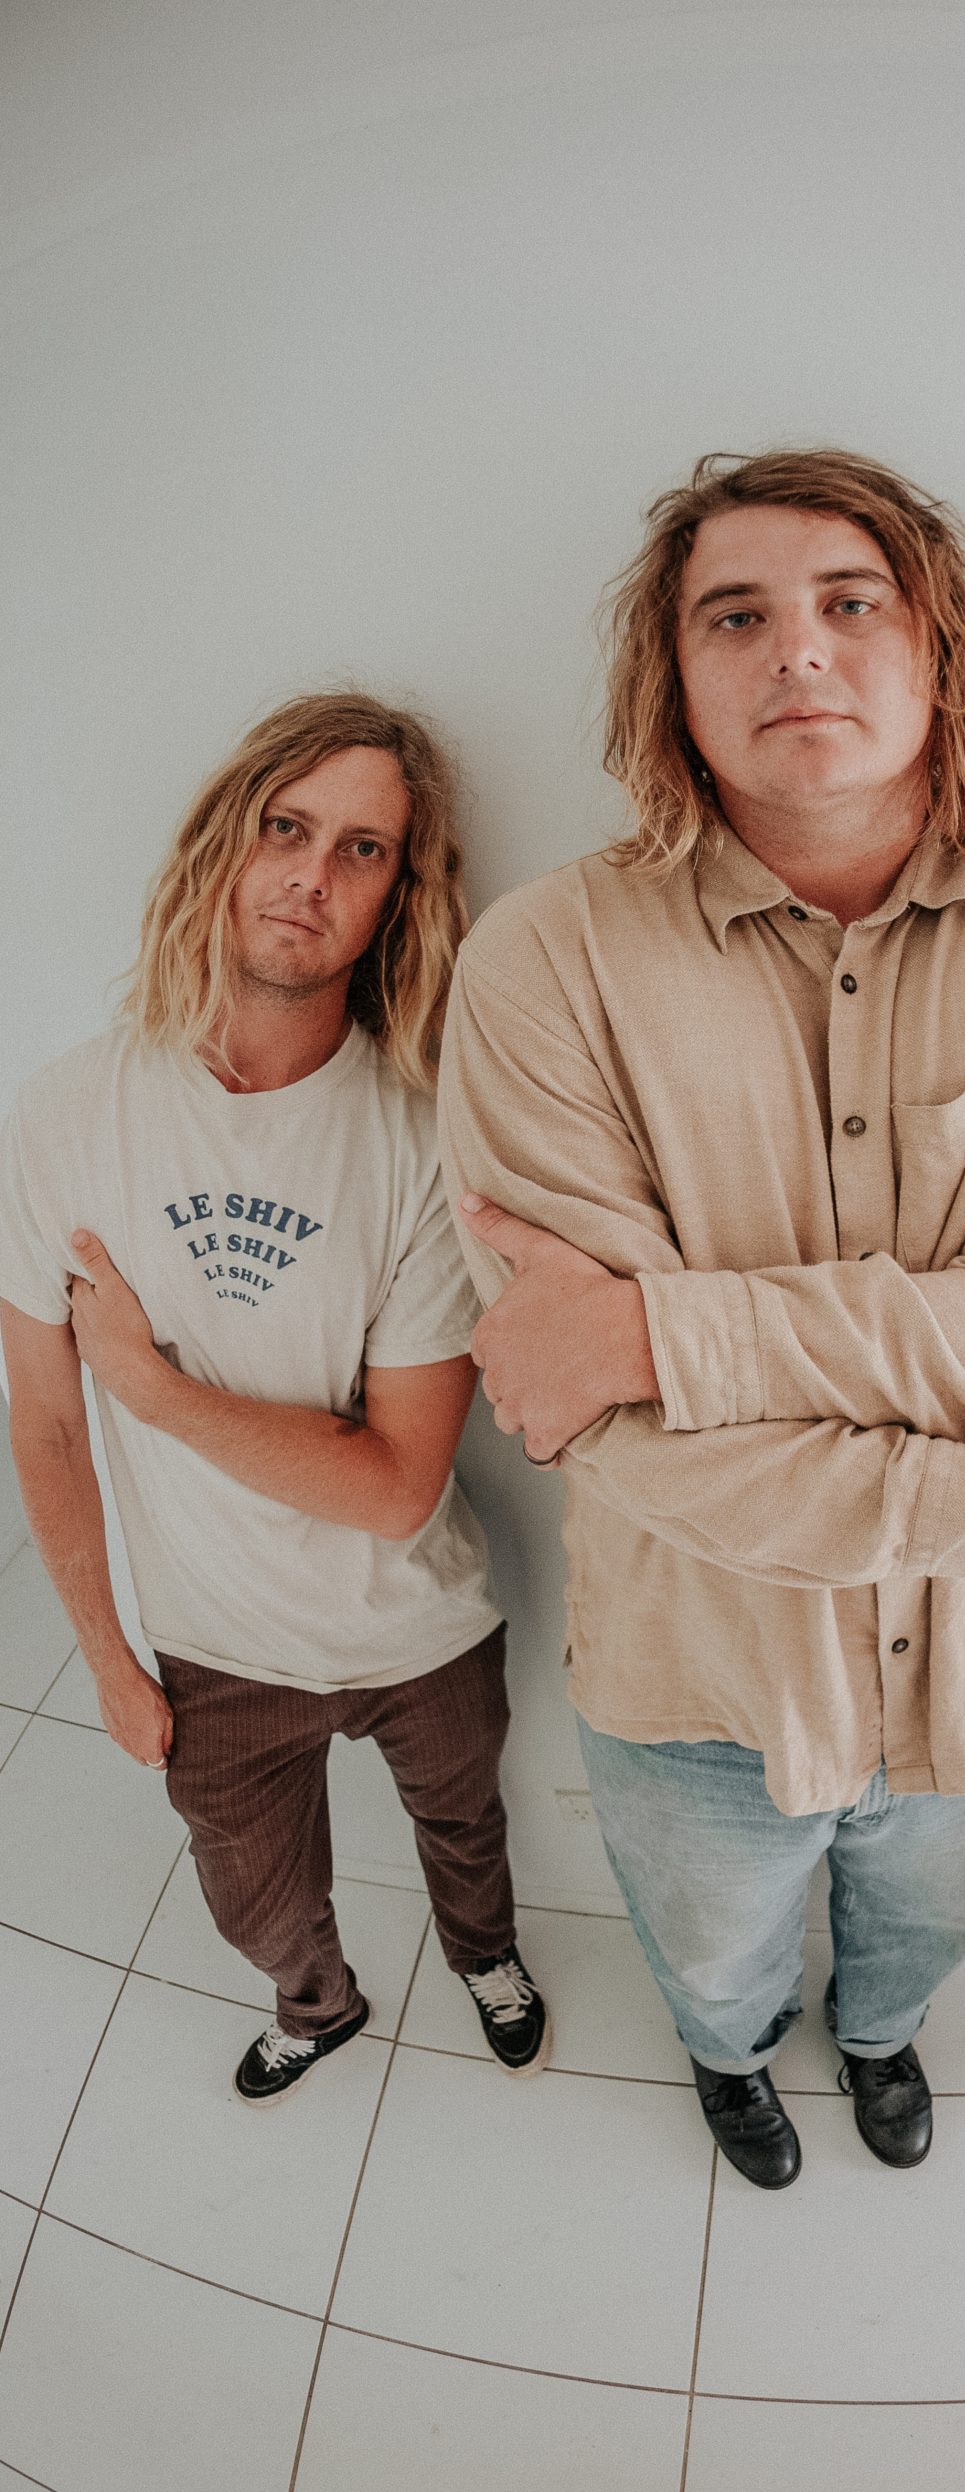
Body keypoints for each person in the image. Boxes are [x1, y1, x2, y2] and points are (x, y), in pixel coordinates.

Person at [437, 448, 965, 2186]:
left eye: (853, 602)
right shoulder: (540, 963)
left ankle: (878, 2040)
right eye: (736, 616)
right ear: (672, 677)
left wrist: (661, 1333)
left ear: (939, 649)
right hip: (693, 1666)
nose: (799, 648)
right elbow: (595, 1418)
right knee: (710, 1958)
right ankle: (731, 2067)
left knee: (932, 1926)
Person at [0, 694, 549, 2104]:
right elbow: (46, 1424)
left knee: (467, 1833)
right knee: (254, 1902)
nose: (311, 874)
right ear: (222, 845)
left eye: (362, 850)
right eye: (286, 828)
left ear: (397, 898)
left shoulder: (423, 1140)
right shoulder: (66, 1116)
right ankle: (319, 2005)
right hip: (212, 1645)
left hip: (417, 1624)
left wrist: (150, 1386)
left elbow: (397, 1487)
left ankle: (485, 1957)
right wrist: (108, 1660)